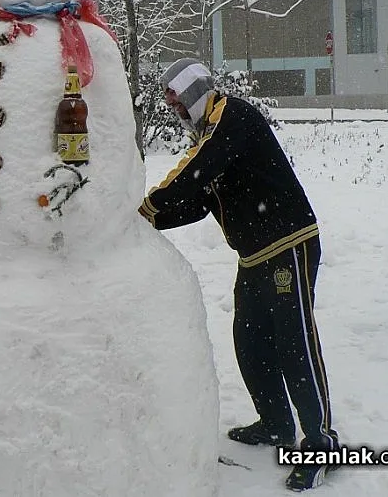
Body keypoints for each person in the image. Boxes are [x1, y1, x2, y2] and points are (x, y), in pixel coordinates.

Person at [137, 58, 340, 492]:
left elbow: (196, 171)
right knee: (250, 341)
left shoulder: (232, 116)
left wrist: (146, 206)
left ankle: (321, 443)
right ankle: (276, 423)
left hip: (288, 244)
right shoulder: (210, 138)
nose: (171, 105)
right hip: (253, 256)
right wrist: (147, 222)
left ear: (193, 91)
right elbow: (198, 203)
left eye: (175, 95)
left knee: (295, 343)